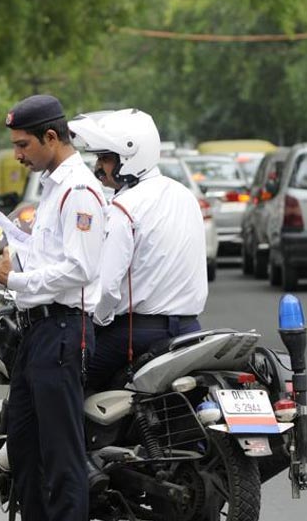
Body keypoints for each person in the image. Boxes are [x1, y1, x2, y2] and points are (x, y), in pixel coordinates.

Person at [0, 94, 105, 521]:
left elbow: (80, 268)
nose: (17, 155)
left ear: (51, 137)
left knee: (61, 456)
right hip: (35, 332)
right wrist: (13, 255)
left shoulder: (80, 190)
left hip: (63, 331)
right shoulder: (53, 189)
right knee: (26, 451)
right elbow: (50, 257)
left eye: (23, 145)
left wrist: (13, 278)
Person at [69, 108, 207, 393]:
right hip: (190, 330)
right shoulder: (184, 195)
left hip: (135, 334)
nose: (99, 167)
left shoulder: (125, 206)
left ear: (130, 158)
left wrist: (97, 320)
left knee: (66, 382)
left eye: (105, 158)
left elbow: (108, 288)